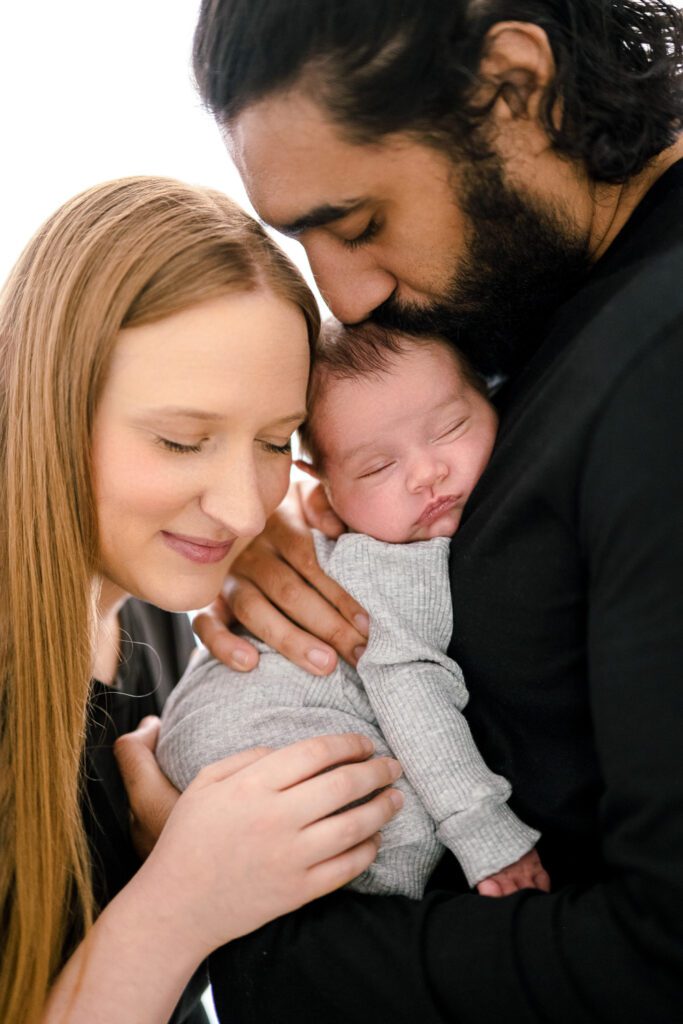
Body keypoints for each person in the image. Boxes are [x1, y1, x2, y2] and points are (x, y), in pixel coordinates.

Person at [143, 1, 683, 1021]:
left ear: (513, 89)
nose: (343, 295)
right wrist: (295, 527)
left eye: (357, 224)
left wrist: (242, 939)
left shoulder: (658, 364)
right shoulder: (547, 313)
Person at [0, 175, 404, 1024]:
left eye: (272, 442)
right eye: (181, 441)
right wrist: (182, 900)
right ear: (49, 407)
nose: (240, 506)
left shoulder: (168, 617)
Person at [157, 321, 550, 899]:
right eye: (375, 468)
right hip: (262, 746)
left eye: (450, 428)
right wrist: (489, 834)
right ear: (323, 494)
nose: (425, 473)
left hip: (210, 745)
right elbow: (413, 698)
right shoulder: (387, 565)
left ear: (494, 397)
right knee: (405, 820)